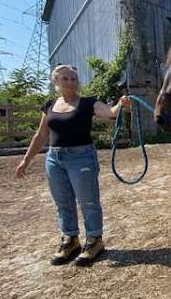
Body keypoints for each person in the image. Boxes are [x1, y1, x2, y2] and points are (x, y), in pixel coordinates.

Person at [15, 64, 130, 266]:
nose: (71, 82)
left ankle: (94, 240)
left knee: (88, 201)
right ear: (56, 82)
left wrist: (120, 104)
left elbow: (110, 112)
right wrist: (26, 160)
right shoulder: (49, 106)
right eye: (65, 78)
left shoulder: (88, 103)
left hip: (81, 157)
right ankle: (70, 240)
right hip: (54, 158)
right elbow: (41, 135)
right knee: (63, 203)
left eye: (74, 78)